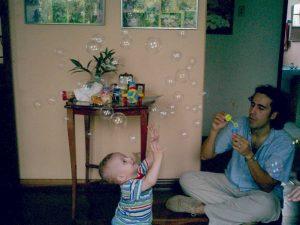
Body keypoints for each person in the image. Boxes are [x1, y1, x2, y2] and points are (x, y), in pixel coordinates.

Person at [166, 85, 295, 225]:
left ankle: (200, 209)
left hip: (260, 194)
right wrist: (214, 130)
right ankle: (241, 213)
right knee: (187, 179)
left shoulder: (284, 143)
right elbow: (205, 156)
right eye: (252, 105)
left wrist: (249, 156)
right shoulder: (240, 124)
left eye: (261, 108)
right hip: (230, 184)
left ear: (273, 115)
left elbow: (267, 186)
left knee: (268, 206)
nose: (252, 111)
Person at [99, 125, 163, 225]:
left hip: (142, 220)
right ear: (121, 177)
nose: (129, 158)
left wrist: (154, 142)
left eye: (125, 157)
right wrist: (159, 158)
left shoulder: (138, 172)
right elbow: (150, 181)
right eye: (124, 161)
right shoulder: (129, 186)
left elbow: (150, 159)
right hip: (127, 223)